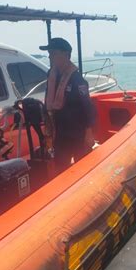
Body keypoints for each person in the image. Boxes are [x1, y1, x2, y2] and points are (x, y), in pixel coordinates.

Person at [39, 37, 96, 172]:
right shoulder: (52, 74)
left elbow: (87, 107)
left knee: (82, 168)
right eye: (49, 54)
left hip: (77, 132)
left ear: (65, 55)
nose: (50, 57)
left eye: (53, 53)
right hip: (60, 131)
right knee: (61, 166)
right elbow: (49, 99)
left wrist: (89, 133)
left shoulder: (77, 79)